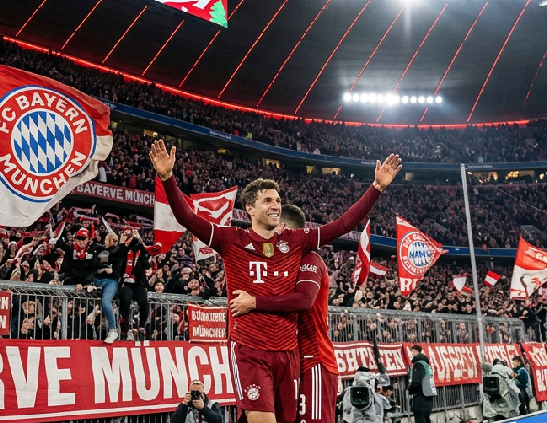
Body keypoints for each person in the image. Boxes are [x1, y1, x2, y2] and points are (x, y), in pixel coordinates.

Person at [149, 140, 400, 423]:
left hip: (288, 354)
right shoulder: (230, 239)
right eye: (268, 200)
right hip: (250, 350)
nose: (275, 205)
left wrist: (376, 188)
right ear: (250, 208)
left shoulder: (295, 240)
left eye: (278, 200)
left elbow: (342, 225)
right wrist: (168, 178)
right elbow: (187, 217)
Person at [228, 204, 340, 423]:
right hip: (289, 359)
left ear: (282, 228)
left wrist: (255, 302)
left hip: (314, 359)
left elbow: (304, 301)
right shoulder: (279, 263)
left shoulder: (310, 259)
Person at [407, 345, 436, 423]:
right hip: (428, 393)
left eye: (413, 351)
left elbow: (417, 380)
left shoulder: (418, 364)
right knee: (426, 417)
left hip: (421, 394)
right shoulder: (426, 364)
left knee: (419, 416)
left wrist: (410, 389)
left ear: (417, 351)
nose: (412, 354)